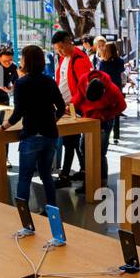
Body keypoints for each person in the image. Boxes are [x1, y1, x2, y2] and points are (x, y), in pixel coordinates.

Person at [0, 43, 65, 210]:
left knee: (25, 177)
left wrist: (2, 127)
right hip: (50, 135)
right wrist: (52, 120)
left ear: (25, 61)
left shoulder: (22, 83)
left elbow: (18, 113)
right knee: (46, 176)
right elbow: (62, 107)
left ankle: (24, 215)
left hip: (31, 135)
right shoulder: (49, 81)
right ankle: (52, 212)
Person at [52, 28, 92, 187]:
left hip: (74, 108)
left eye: (61, 48)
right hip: (65, 106)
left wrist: (72, 104)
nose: (60, 52)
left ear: (70, 42)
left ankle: (65, 176)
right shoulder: (64, 58)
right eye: (57, 50)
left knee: (70, 141)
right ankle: (83, 171)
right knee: (72, 142)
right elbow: (62, 80)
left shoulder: (79, 59)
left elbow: (83, 88)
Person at [76, 71, 126, 187]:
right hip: (89, 119)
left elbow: (122, 106)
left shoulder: (112, 90)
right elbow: (79, 96)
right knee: (84, 149)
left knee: (100, 152)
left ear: (103, 92)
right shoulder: (83, 79)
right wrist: (71, 105)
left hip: (104, 121)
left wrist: (106, 114)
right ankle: (88, 184)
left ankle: (102, 185)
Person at [98, 40, 126, 142]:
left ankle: (107, 135)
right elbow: (122, 74)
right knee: (116, 112)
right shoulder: (120, 61)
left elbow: (100, 76)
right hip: (117, 89)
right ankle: (116, 136)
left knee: (107, 112)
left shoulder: (103, 63)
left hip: (106, 90)